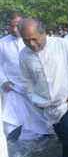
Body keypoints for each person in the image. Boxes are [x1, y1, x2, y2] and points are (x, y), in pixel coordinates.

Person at [19, 18, 68, 157]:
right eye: (26, 40)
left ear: (43, 33)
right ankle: (66, 149)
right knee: (60, 131)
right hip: (44, 104)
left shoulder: (62, 45)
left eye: (34, 39)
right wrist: (33, 99)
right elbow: (27, 80)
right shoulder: (24, 55)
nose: (32, 44)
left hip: (67, 101)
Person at [0, 12, 49, 140]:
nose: (15, 29)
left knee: (40, 119)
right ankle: (17, 143)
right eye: (12, 26)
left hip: (33, 87)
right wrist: (4, 81)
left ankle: (42, 139)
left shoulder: (33, 41)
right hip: (12, 88)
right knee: (13, 120)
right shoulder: (2, 43)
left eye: (17, 26)